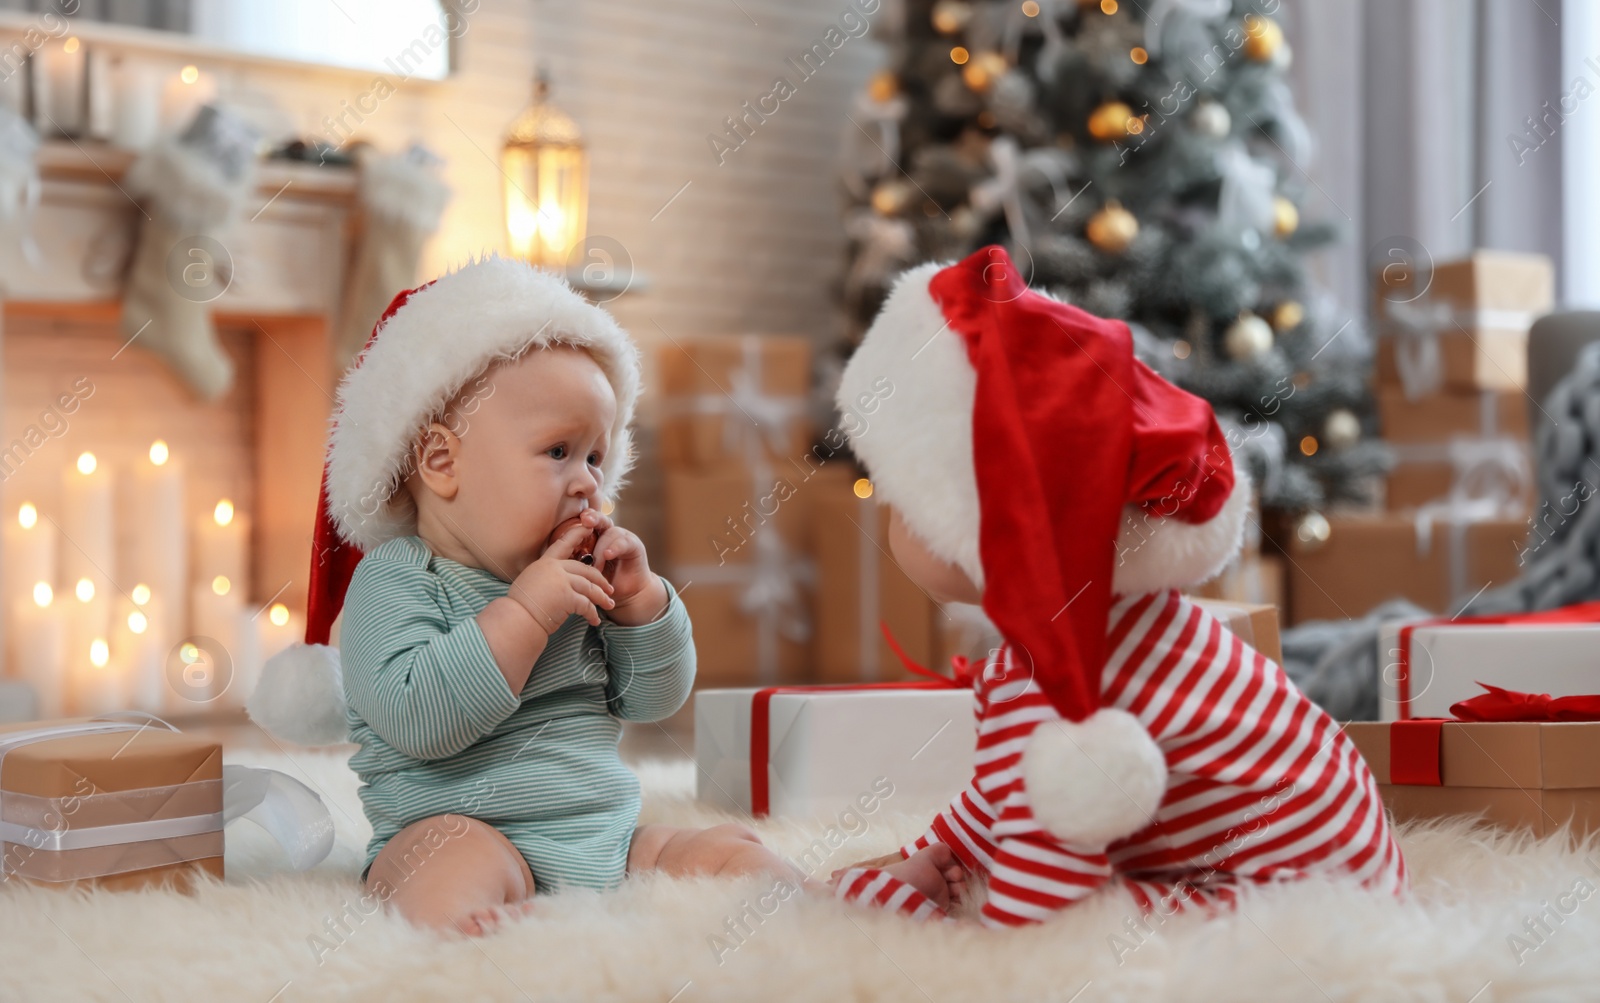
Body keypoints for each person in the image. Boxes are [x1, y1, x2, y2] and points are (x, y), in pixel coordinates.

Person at [825, 247, 1406, 926]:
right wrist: (929, 853)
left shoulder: (1061, 680)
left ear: (965, 527)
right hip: (1343, 857)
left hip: (1303, 899)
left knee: (1103, 917)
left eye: (900, 500)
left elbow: (1041, 909)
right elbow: (1003, 791)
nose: (893, 519)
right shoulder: (1095, 622)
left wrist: (963, 935)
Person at [272, 257, 800, 935]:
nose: (587, 483)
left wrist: (645, 606)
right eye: (558, 451)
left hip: (604, 838)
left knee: (722, 850)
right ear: (441, 462)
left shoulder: (581, 573)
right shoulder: (396, 578)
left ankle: (825, 898)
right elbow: (417, 717)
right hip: (462, 830)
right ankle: (486, 951)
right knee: (440, 872)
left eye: (596, 457)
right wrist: (523, 614)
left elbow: (650, 699)